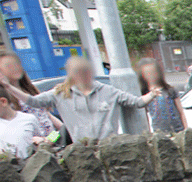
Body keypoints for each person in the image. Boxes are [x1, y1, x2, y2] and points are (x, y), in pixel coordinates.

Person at [2, 57, 159, 141]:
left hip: (106, 145)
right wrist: (8, 87)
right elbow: (33, 102)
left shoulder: (107, 91)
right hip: (70, 147)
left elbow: (137, 102)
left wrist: (151, 94)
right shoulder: (59, 93)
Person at [0, 50, 62, 140]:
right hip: (33, 147)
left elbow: (47, 116)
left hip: (51, 143)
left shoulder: (29, 90)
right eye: (8, 65)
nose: (15, 68)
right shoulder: (5, 99)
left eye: (16, 64)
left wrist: (61, 131)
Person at [137, 58, 187, 133]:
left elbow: (181, 112)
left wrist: (186, 129)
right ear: (142, 75)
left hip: (177, 130)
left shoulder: (170, 90)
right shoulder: (144, 95)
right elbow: (144, 118)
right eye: (147, 73)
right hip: (159, 133)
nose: (151, 76)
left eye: (153, 72)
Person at [0, 84, 38, 159]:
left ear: (3, 101)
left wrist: (44, 140)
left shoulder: (29, 118)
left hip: (32, 165)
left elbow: (52, 135)